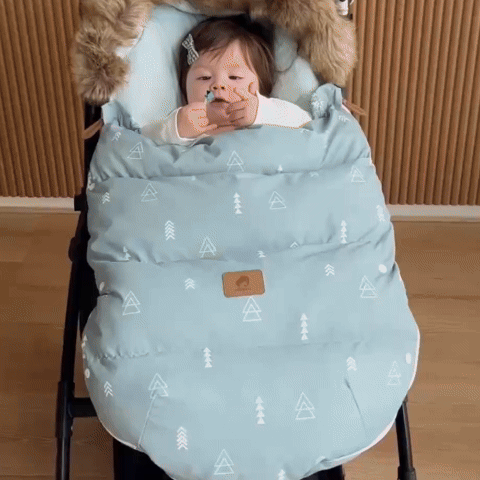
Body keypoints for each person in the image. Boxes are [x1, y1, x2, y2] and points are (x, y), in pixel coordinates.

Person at [141, 15, 313, 146]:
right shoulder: (185, 134)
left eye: (234, 77)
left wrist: (261, 112)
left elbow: (307, 125)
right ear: (184, 89)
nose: (218, 85)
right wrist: (175, 129)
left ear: (260, 87)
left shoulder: (268, 120)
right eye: (204, 77)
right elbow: (140, 143)